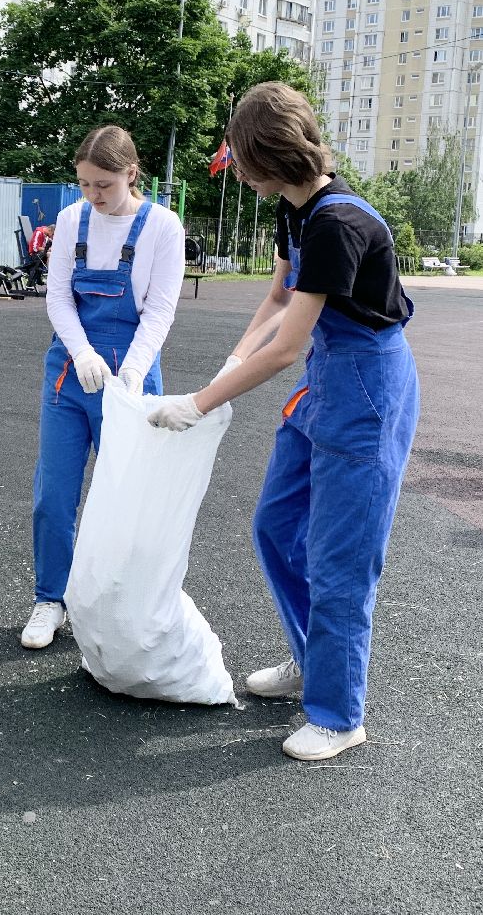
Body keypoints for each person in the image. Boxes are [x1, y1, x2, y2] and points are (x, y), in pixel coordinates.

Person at [147, 82, 420, 762]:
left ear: (269, 159)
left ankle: (336, 713)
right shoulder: (292, 209)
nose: (232, 170)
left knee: (340, 560)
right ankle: (312, 657)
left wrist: (199, 403)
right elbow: (276, 297)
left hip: (365, 389)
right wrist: (226, 366)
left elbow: (289, 345)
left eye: (239, 159)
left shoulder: (335, 223)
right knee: (275, 526)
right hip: (327, 377)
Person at [23, 125, 185, 649]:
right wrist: (83, 352)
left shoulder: (163, 226)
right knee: (54, 494)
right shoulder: (72, 221)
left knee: (126, 500)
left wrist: (134, 372)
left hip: (132, 371)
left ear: (131, 174)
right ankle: (51, 599)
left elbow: (160, 308)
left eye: (104, 185)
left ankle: (118, 607)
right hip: (71, 370)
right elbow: (58, 300)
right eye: (85, 184)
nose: (93, 195)